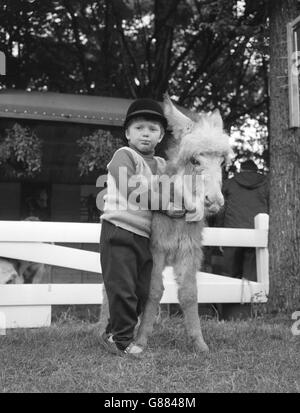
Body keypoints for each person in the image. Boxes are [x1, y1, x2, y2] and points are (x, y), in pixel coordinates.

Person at [99, 98, 186, 357]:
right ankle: (121, 339)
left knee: (142, 289)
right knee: (122, 287)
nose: (145, 133)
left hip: (144, 237)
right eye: (139, 128)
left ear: (160, 136)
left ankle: (113, 332)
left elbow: (178, 187)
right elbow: (132, 190)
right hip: (118, 231)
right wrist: (167, 207)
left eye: (152, 129)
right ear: (127, 133)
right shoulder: (123, 156)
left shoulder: (161, 165)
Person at [218, 159, 269, 319]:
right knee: (252, 277)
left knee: (229, 276)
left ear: (241, 169)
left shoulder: (229, 184)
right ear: (256, 170)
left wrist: (219, 236)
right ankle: (249, 316)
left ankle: (227, 316)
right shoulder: (267, 184)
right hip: (256, 236)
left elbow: (220, 210)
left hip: (231, 235)